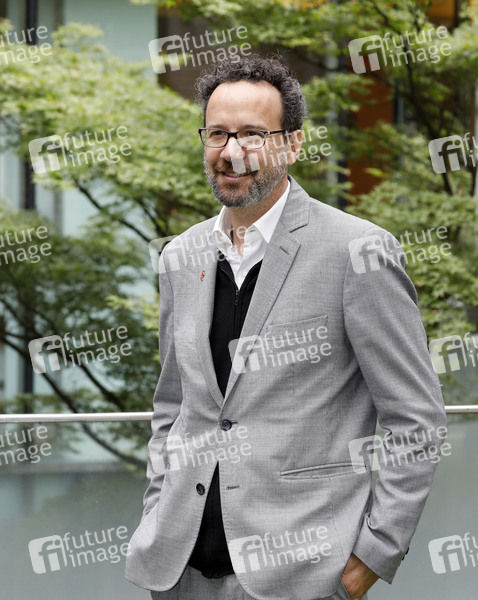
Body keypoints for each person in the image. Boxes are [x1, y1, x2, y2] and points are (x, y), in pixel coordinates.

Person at [125, 55, 446, 600]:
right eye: (218, 134)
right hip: (176, 574)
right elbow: (174, 407)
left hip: (301, 577)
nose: (232, 152)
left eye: (253, 134)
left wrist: (373, 556)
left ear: (293, 144)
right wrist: (156, 512)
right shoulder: (181, 255)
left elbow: (416, 419)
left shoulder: (357, 252)